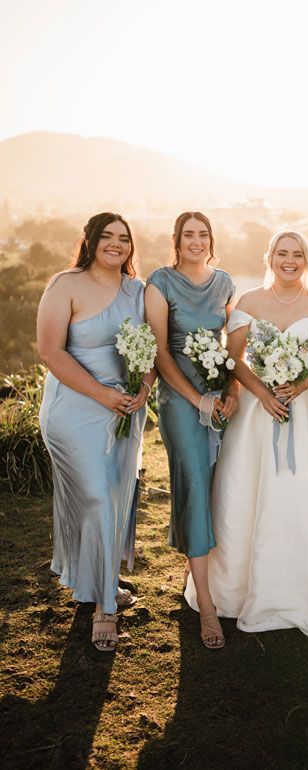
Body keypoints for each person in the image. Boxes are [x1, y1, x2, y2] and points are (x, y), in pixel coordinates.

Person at [185, 230, 308, 642]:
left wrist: (301, 386)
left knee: (305, 491)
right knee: (245, 490)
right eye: (282, 253)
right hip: (256, 408)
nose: (290, 260)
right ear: (270, 257)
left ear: (307, 259)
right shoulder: (249, 302)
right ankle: (236, 591)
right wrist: (263, 392)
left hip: (306, 410)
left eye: (297, 254)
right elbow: (234, 358)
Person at [37, 212, 153, 652]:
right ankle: (105, 606)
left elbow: (151, 348)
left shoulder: (138, 291)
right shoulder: (64, 285)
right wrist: (102, 395)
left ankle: (100, 578)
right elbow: (50, 351)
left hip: (125, 411)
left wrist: (142, 387)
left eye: (124, 238)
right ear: (90, 240)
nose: (116, 244)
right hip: (73, 410)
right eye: (107, 236)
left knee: (116, 495)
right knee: (98, 496)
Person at [145, 211, 237, 649]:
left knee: (216, 480)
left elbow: (233, 345)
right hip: (180, 398)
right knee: (195, 480)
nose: (196, 242)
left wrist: (231, 390)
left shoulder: (225, 283)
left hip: (217, 393)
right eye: (188, 235)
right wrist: (195, 398)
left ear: (210, 240)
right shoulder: (159, 282)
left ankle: (193, 570)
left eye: (203, 235)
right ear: (177, 241)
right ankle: (206, 603)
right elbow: (160, 351)